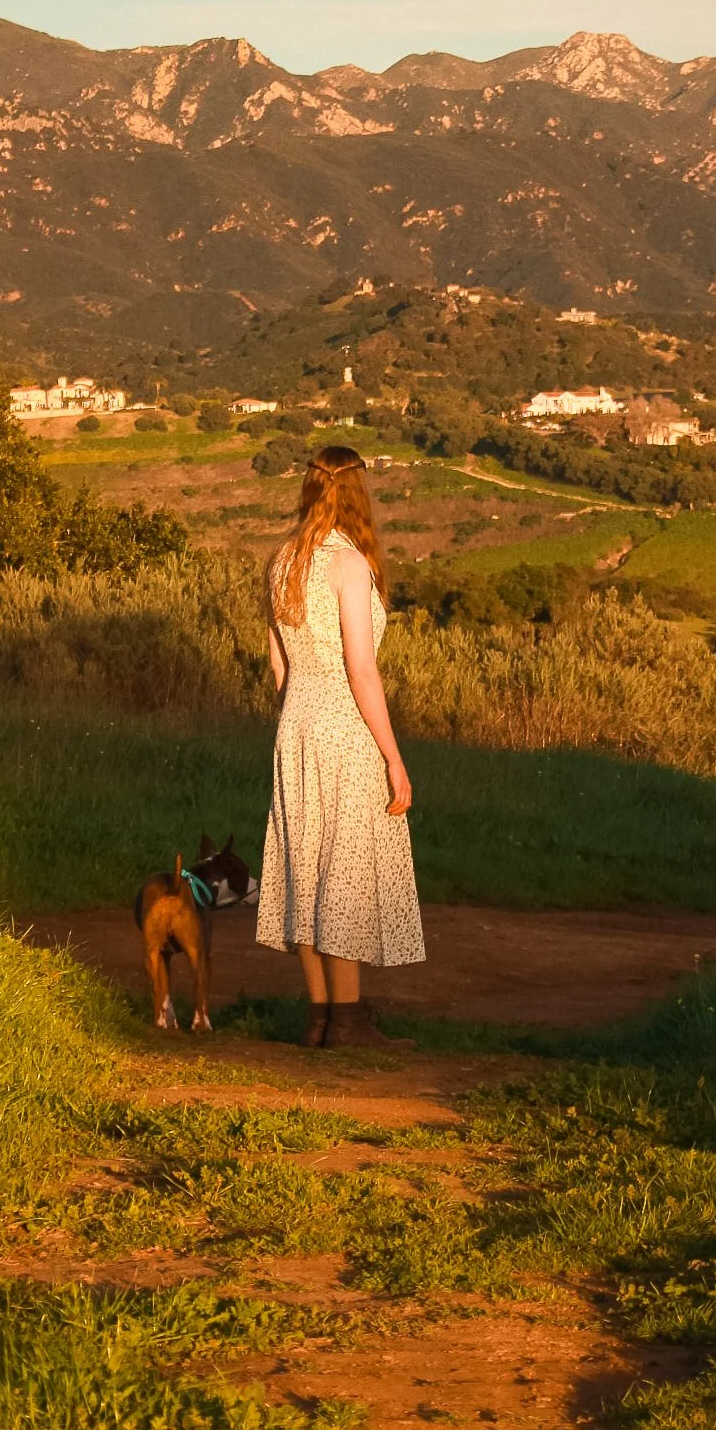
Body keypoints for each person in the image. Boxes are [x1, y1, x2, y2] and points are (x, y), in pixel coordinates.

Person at [255, 444, 424, 1046]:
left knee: (306, 866)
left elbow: (277, 663)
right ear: (359, 493)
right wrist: (394, 757)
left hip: (294, 723)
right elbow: (362, 671)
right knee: (344, 870)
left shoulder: (281, 561)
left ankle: (321, 1017)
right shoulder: (348, 566)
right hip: (343, 726)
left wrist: (293, 721)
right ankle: (348, 1024)